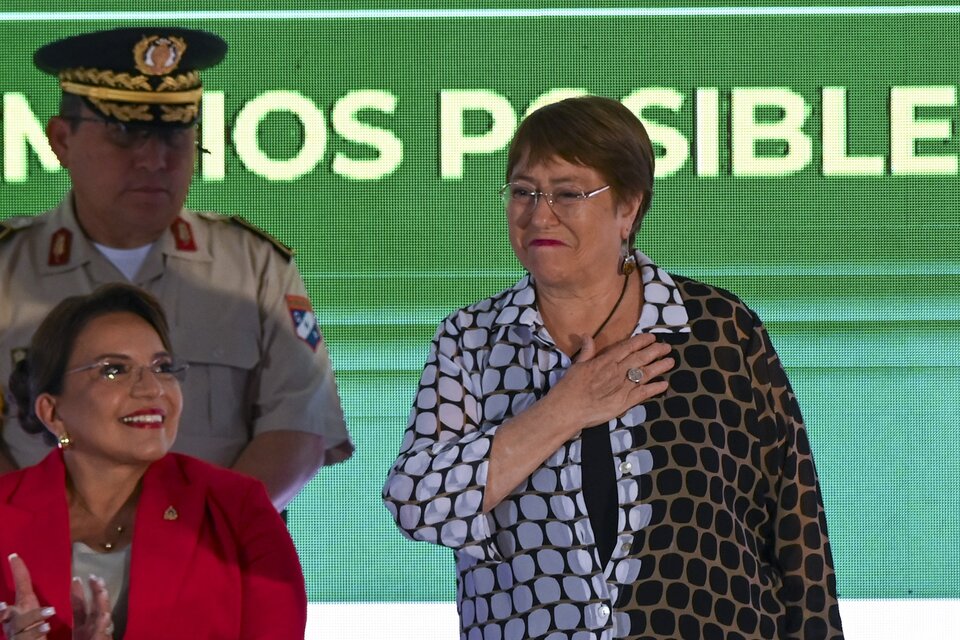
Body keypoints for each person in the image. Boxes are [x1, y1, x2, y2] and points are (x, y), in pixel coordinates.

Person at [383, 96, 844, 639]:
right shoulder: (473, 340)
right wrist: (567, 408)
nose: (539, 213)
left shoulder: (718, 329)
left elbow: (795, 522)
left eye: (568, 193)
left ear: (628, 207)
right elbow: (419, 504)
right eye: (523, 192)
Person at [0, 26, 352, 509]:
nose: (153, 160)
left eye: (174, 135)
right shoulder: (6, 267)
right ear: (62, 140)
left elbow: (299, 431)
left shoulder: (253, 267)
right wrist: (44, 535)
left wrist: (195, 544)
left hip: (214, 563)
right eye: (125, 133)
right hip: (35, 569)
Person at [0, 283, 306, 639]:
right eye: (114, 369)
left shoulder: (239, 509)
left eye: (162, 367)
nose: (152, 389)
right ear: (52, 412)